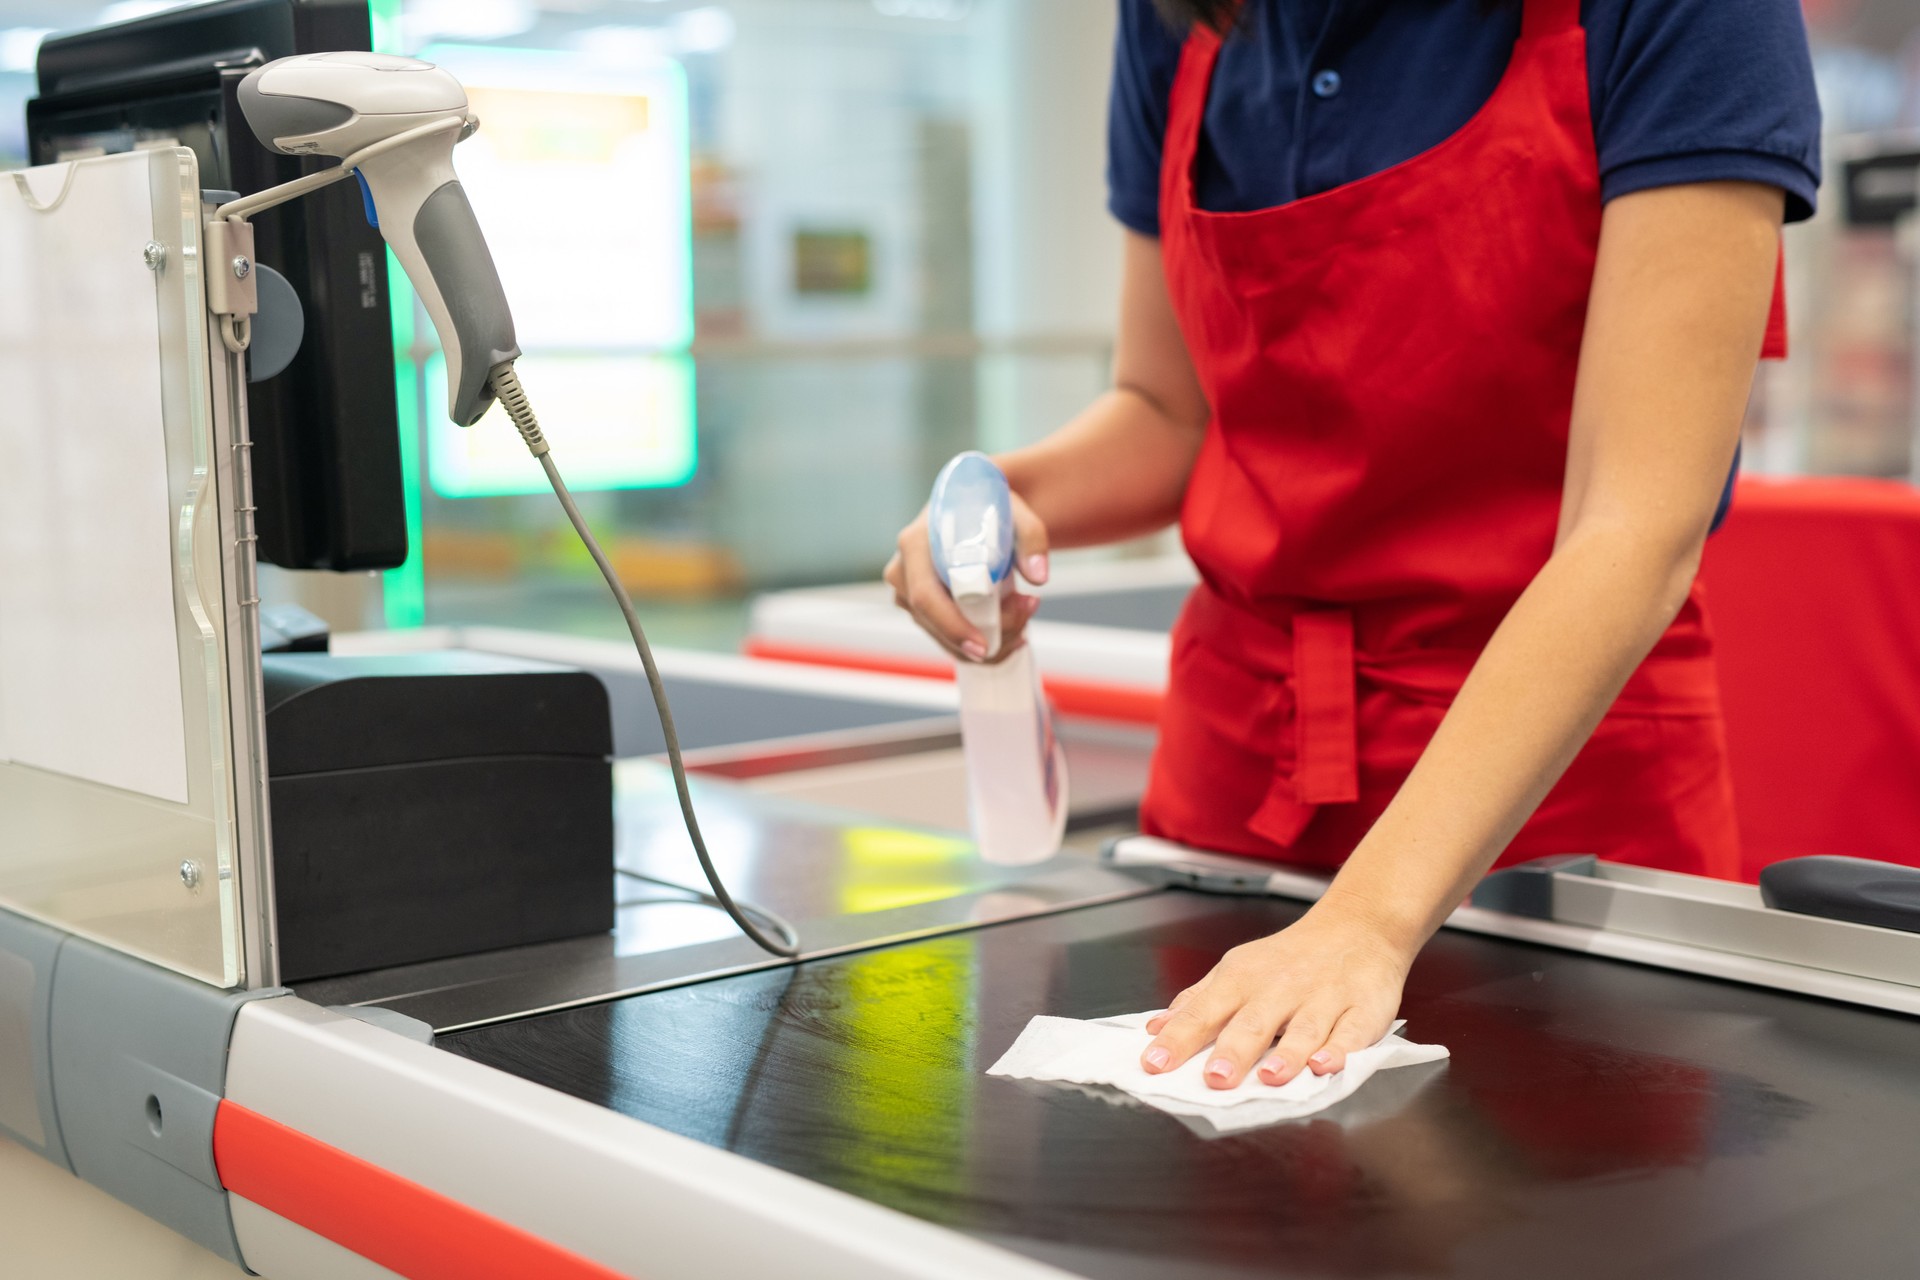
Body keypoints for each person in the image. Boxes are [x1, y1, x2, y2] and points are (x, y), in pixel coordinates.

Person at [885, 0, 1821, 1092]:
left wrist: (1368, 918)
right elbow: (1166, 410)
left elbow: (1635, 525)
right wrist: (1003, 498)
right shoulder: (1178, 18)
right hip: (1237, 785)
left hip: (1557, 802)